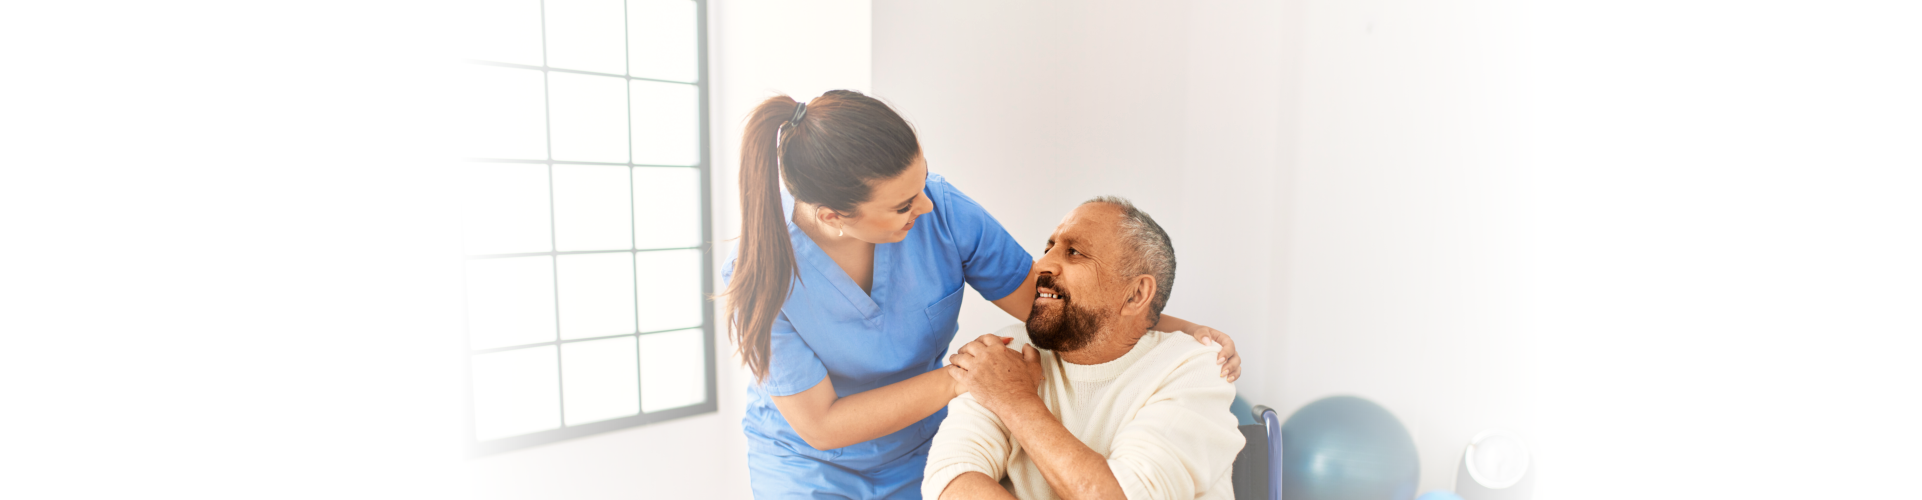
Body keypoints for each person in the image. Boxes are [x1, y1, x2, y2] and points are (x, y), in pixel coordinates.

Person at [722, 90, 1242, 499]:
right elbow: (823, 425)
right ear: (834, 217)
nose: (925, 206)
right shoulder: (760, 278)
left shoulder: (943, 211)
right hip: (810, 470)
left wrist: (1180, 328)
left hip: (918, 448)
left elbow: (1049, 303)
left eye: (923, 182)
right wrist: (972, 380)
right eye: (903, 204)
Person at [925, 197, 1244, 500]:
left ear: (1135, 295)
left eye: (1074, 252)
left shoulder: (1192, 369)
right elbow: (951, 479)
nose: (1041, 266)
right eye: (1048, 248)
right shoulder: (1007, 351)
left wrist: (1016, 401)